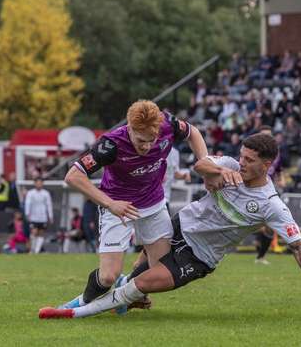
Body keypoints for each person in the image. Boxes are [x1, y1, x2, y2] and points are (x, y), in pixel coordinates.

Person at [39, 133, 301, 319]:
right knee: (134, 278)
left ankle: (79, 312)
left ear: (267, 165)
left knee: (142, 284)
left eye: (249, 160)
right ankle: (110, 304)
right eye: (241, 157)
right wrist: (217, 170)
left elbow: (298, 245)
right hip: (179, 226)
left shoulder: (271, 204)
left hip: (199, 257)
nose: (242, 163)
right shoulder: (232, 167)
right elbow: (200, 164)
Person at [58, 100, 207, 313]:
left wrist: (205, 162)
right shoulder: (110, 144)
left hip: (153, 204)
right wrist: (110, 204)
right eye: (140, 140)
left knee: (159, 270)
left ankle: (126, 288)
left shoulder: (167, 124)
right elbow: (73, 176)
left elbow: (193, 132)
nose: (146, 146)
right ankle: (83, 301)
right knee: (108, 276)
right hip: (118, 206)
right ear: (129, 128)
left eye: (151, 140)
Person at [24, 177, 54, 254]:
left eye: (41, 183)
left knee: (41, 233)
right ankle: (32, 250)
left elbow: (49, 205)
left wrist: (50, 216)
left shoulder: (46, 193)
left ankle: (37, 251)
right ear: (35, 183)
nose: (39, 184)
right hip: (33, 217)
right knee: (34, 232)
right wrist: (27, 213)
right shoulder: (30, 193)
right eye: (38, 182)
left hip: (43, 217)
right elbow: (28, 204)